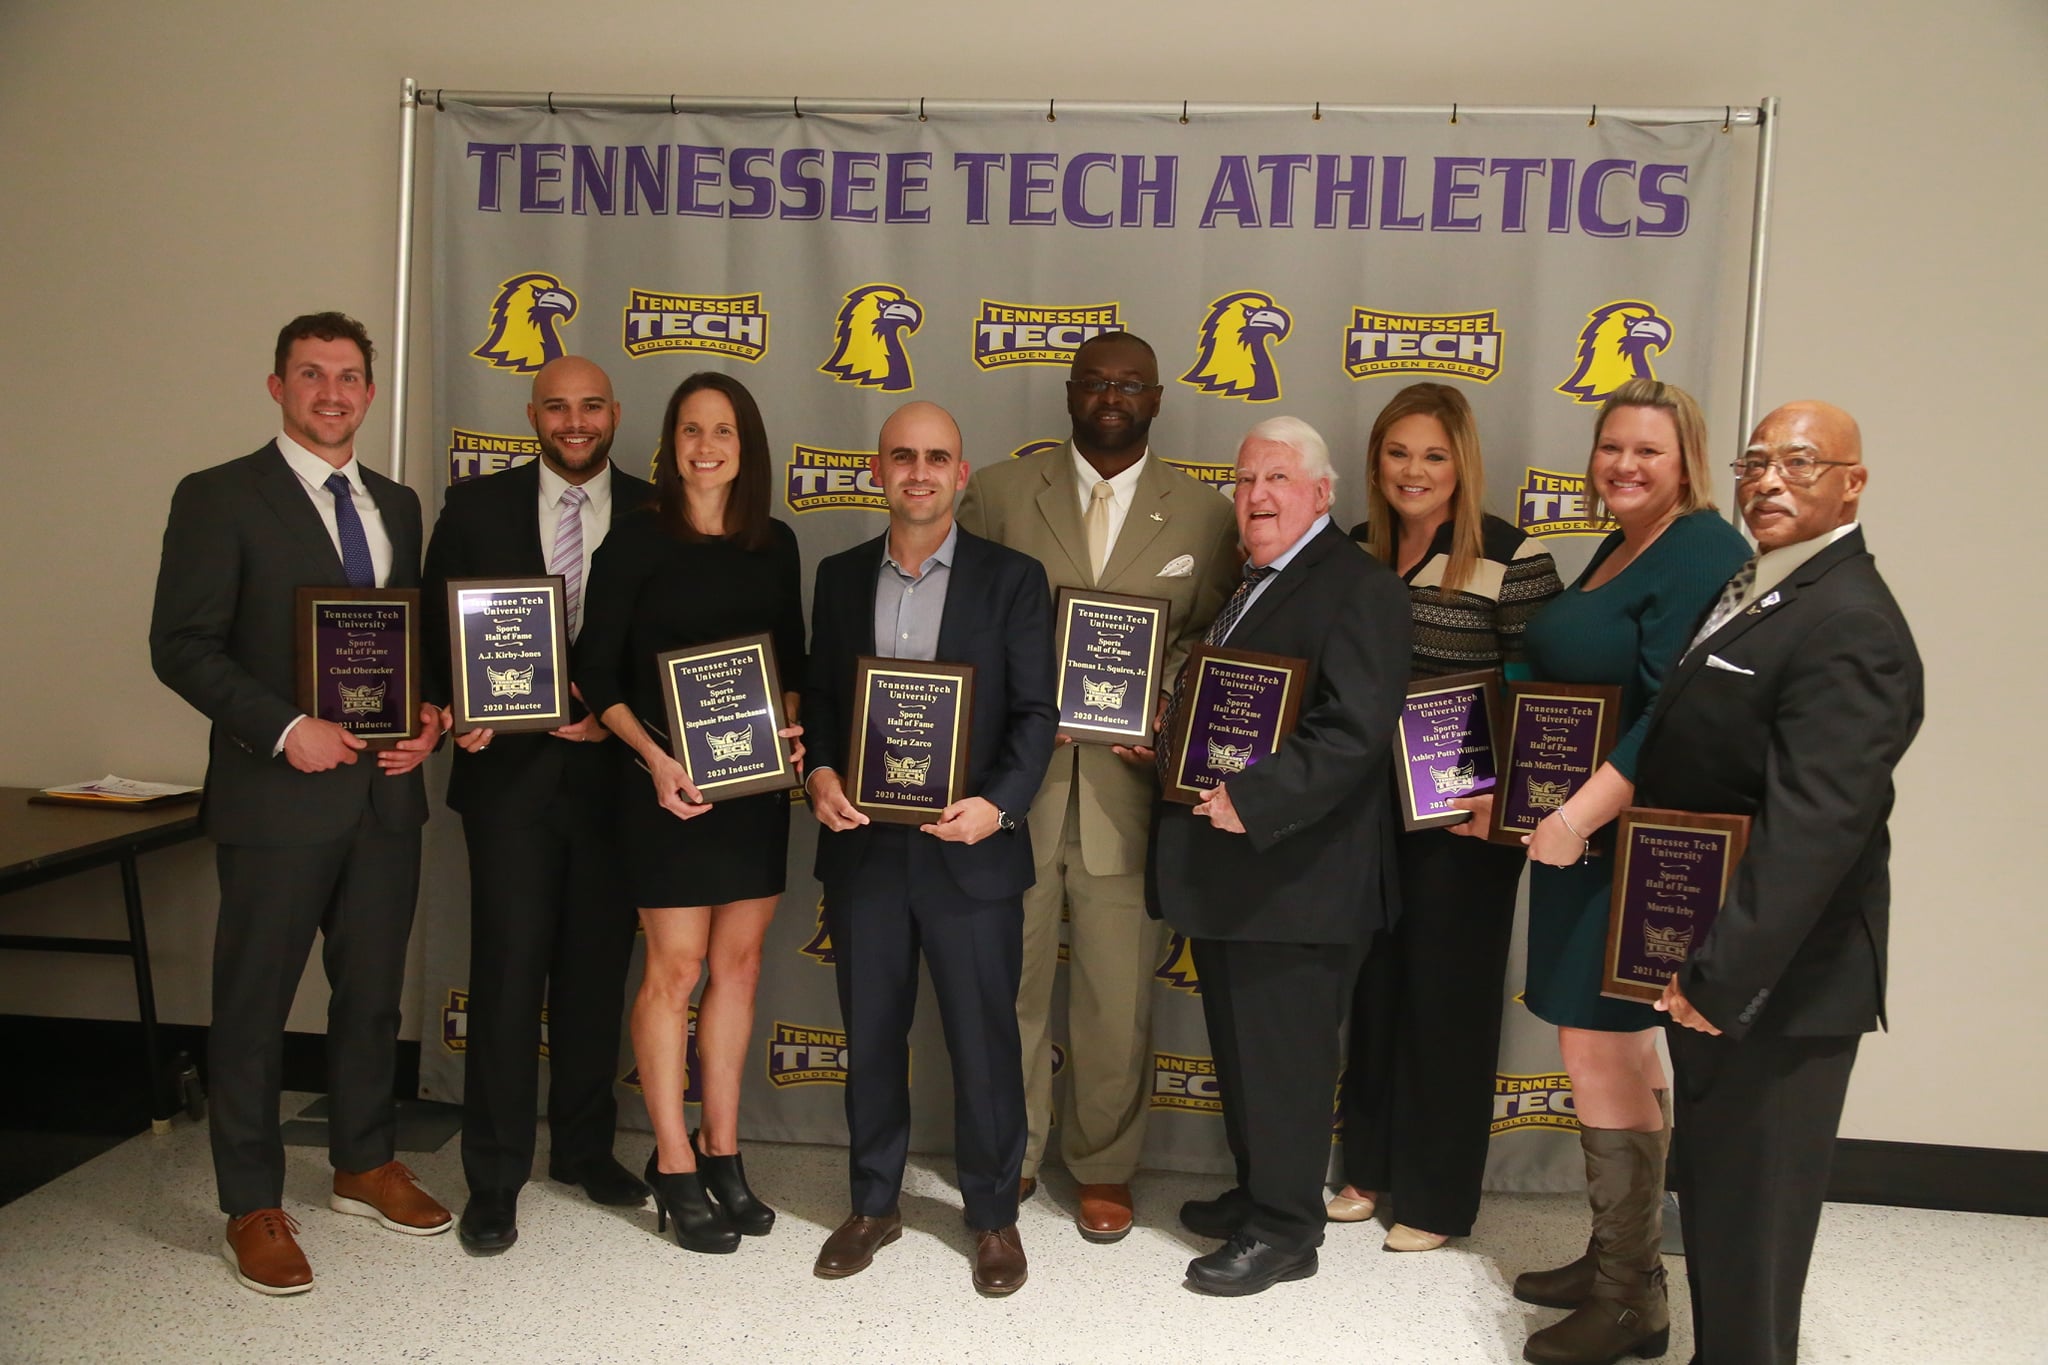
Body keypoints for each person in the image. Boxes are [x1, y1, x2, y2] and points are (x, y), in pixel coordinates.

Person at [149, 312, 450, 1295]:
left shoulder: (398, 506)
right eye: (312, 374)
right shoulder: (219, 497)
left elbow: (402, 649)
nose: (332, 392)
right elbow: (182, 644)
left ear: (369, 391)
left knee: (369, 999)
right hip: (277, 796)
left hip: (384, 801)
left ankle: (362, 1161)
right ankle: (253, 1204)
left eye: (349, 376)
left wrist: (427, 720)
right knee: (253, 1006)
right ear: (276, 385)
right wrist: (286, 728)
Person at [1469, 379, 1749, 1364]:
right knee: (1612, 1054)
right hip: (1572, 839)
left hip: (1626, 846)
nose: (1623, 465)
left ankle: (1628, 1301)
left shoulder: (1706, 547)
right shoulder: (1619, 543)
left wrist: (1572, 813)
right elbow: (1570, 689)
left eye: (1646, 451)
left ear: (1686, 462)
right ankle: (1623, 1268)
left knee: (1601, 1052)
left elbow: (1673, 709)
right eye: (1610, 448)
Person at [1640, 401, 1920, 1364]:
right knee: (1718, 1207)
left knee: (1752, 1231)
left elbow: (1816, 831)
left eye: (1800, 463)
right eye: (1755, 461)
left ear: (1853, 482)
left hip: (1778, 987)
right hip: (1725, 962)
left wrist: (1722, 978)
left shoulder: (1851, 624)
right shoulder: (1766, 586)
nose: (1768, 480)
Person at [956, 331, 1238, 1240]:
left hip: (1129, 795)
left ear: (1157, 400)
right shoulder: (999, 494)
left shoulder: (1204, 515)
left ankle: (1107, 1167)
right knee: (1013, 983)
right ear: (1069, 393)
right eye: (1095, 382)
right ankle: (1015, 1147)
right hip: (1013, 791)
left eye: (1130, 385)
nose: (1111, 396)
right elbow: (964, 625)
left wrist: (1155, 706)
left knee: (1117, 997)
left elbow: (1219, 645)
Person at [802, 400, 1056, 1296]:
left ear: (962, 473)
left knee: (985, 1041)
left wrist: (999, 805)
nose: (919, 471)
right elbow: (823, 706)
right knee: (871, 1034)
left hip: (971, 849)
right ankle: (873, 1200)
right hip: (866, 850)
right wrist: (821, 777)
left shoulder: (1013, 580)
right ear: (878, 471)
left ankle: (993, 1216)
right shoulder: (836, 577)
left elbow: (1036, 714)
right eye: (902, 456)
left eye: (936, 457)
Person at [1152, 417, 1411, 1297]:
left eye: (1278, 479)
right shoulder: (1255, 581)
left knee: (1287, 1063)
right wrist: (1168, 744)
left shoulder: (1357, 585)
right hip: (1239, 875)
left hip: (1302, 878)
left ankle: (1287, 1231)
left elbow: (1355, 730)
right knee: (1246, 1052)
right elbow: (1237, 711)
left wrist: (1253, 798)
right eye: (1245, 478)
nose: (1257, 495)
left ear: (1322, 494)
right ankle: (1263, 1191)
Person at [420, 355, 656, 1253]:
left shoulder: (650, 510)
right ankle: (493, 1176)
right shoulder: (475, 507)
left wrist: (622, 717)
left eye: (591, 405)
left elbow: (666, 639)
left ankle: (585, 1150)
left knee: (597, 977)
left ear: (614, 413)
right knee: (509, 978)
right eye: (557, 406)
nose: (575, 420)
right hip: (508, 780)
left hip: (612, 784)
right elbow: (437, 624)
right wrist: (453, 711)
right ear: (532, 412)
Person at [574, 372, 806, 1254]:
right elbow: (598, 671)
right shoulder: (633, 544)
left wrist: (788, 721)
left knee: (738, 967)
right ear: (668, 444)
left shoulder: (773, 544)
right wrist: (655, 758)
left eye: (722, 431)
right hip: (664, 790)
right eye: (689, 430)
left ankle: (723, 1149)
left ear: (746, 445)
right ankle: (671, 1160)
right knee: (675, 971)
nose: (705, 447)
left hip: (750, 794)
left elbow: (793, 656)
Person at [1330, 383, 1563, 1252]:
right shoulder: (1355, 550)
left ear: (1461, 461)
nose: (1414, 471)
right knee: (1375, 991)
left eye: (1433, 454)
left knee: (1448, 1002)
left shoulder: (1514, 556)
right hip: (1365, 819)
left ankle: (1434, 1197)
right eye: (1399, 453)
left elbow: (1544, 692)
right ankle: (1368, 1168)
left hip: (1463, 823)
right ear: (1376, 462)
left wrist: (1506, 798)